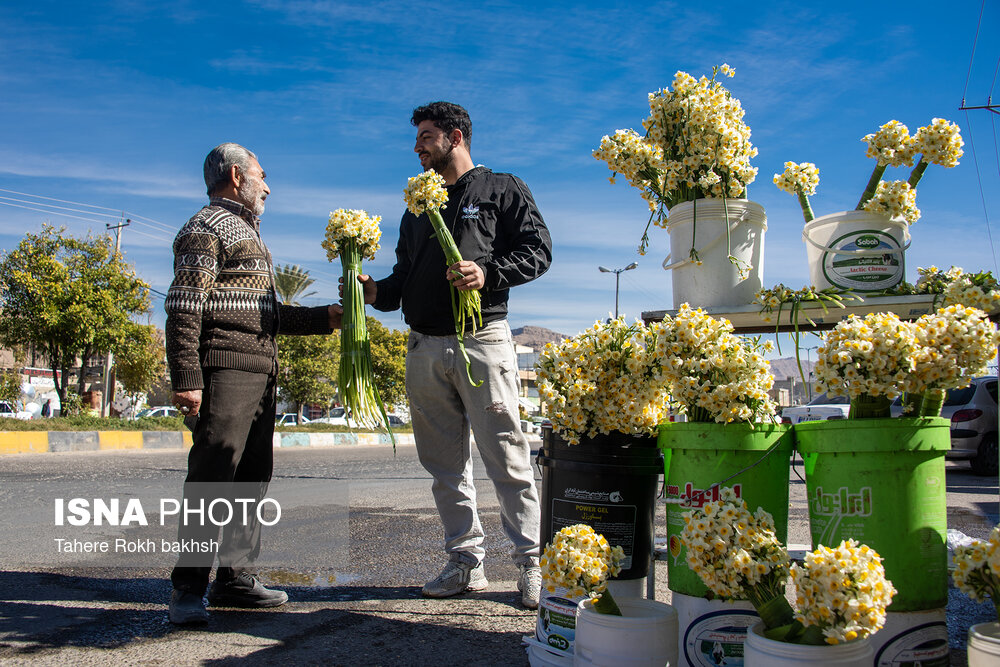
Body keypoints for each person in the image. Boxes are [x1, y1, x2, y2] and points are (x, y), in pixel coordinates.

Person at [356, 102, 552, 609]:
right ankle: (465, 561)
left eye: (425, 136)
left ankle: (532, 563)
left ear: (455, 136)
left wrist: (488, 273)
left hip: (482, 339)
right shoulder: (416, 208)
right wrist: (375, 291)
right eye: (417, 137)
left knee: (507, 455)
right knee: (444, 465)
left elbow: (539, 250)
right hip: (423, 345)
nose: (417, 146)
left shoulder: (501, 189)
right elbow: (403, 279)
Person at [164, 142, 342, 625]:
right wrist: (186, 377)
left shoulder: (248, 233)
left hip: (261, 372)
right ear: (237, 177)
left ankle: (236, 579)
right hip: (226, 370)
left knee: (251, 478)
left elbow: (266, 315)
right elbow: (183, 305)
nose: (268, 185)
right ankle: (188, 587)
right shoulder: (208, 226)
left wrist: (326, 317)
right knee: (213, 476)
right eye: (262, 175)